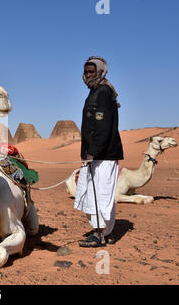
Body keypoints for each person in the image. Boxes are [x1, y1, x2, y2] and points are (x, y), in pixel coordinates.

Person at [74, 56, 124, 247]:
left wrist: (92, 152)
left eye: (91, 71)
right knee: (99, 193)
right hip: (97, 154)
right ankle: (106, 232)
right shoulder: (96, 92)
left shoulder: (102, 93)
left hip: (103, 155)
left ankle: (100, 234)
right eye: (85, 71)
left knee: (100, 194)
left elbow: (102, 128)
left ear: (100, 72)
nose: (87, 75)